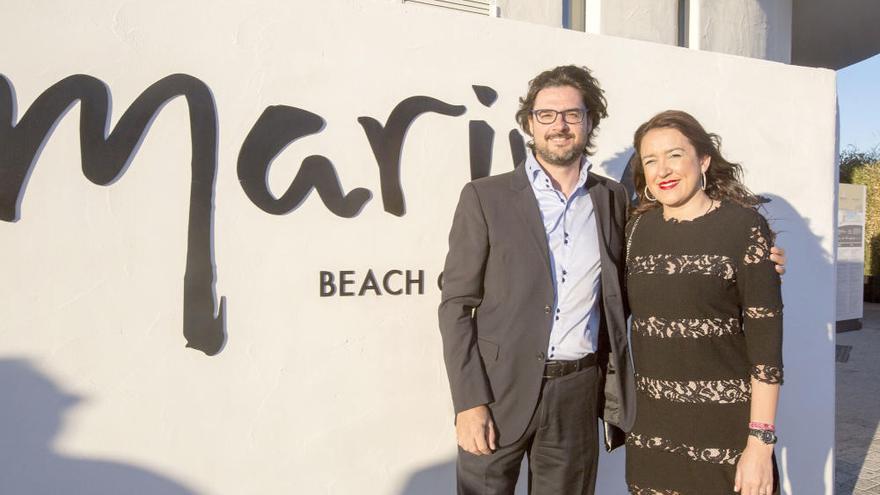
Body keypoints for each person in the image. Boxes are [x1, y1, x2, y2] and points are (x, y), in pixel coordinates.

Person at [438, 67, 785, 494]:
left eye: (572, 113)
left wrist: (755, 261)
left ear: (589, 122)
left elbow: (676, 252)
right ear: (530, 122)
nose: (559, 125)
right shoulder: (484, 197)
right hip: (496, 393)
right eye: (546, 114)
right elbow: (456, 304)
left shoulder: (614, 200)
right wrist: (469, 401)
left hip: (579, 394)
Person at [624, 110, 783, 495]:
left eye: (675, 155)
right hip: (652, 437)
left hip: (725, 434)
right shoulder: (634, 230)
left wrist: (760, 445)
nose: (663, 169)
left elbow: (767, 351)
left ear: (704, 160)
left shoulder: (744, 228)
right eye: (650, 160)